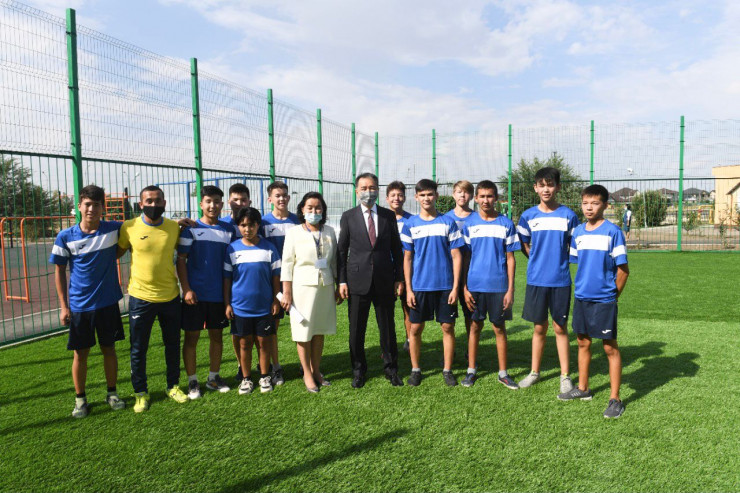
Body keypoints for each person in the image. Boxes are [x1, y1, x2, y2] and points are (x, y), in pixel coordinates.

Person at [50, 185, 126, 418]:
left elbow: (144, 225)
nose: (92, 209)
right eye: (88, 204)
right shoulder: (65, 236)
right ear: (79, 206)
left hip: (108, 302)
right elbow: (59, 272)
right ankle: (80, 400)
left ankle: (112, 393)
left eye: (96, 204)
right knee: (80, 354)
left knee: (109, 349)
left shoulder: (114, 229)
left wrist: (177, 223)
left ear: (103, 208)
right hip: (80, 306)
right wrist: (64, 306)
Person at [559, 184, 629, 419]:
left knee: (609, 347)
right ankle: (583, 388)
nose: (589, 207)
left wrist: (612, 296)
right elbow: (579, 264)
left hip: (604, 300)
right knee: (582, 342)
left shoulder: (613, 232)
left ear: (605, 205)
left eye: (595, 203)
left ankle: (615, 399)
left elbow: (623, 271)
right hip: (582, 297)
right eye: (585, 203)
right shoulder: (578, 232)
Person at [117, 185, 187, 412]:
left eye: (158, 201)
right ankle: (140, 392)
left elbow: (183, 255)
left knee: (172, 344)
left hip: (170, 296)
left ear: (164, 203)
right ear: (141, 204)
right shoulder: (129, 227)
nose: (153, 205)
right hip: (140, 297)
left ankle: (173, 386)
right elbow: (116, 252)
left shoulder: (174, 227)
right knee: (138, 348)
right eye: (149, 201)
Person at [516, 167, 579, 395]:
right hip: (536, 280)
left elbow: (575, 245)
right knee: (539, 327)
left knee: (560, 328)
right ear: (535, 188)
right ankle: (534, 372)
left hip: (560, 280)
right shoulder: (528, 216)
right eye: (541, 185)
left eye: (550, 185)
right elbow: (523, 243)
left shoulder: (569, 216)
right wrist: (535, 258)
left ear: (558, 187)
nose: (546, 189)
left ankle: (565, 376)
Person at [338, 173, 404, 388]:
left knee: (388, 328)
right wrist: (342, 281)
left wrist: (399, 278)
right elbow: (342, 251)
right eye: (364, 188)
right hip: (357, 281)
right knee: (357, 329)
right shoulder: (348, 216)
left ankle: (391, 369)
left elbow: (396, 249)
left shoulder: (388, 216)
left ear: (378, 189)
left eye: (373, 187)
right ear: (357, 191)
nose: (369, 191)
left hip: (384, 280)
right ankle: (358, 370)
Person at [401, 179, 464, 387]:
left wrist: (455, 287)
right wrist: (409, 289)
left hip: (445, 286)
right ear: (416, 197)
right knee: (415, 328)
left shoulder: (448, 222)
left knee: (447, 327)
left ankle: (447, 369)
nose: (426, 198)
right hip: (419, 286)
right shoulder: (410, 224)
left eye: (430, 194)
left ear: (436, 196)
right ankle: (416, 370)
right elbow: (407, 258)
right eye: (422, 195)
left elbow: (456, 256)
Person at [176, 185, 234, 399]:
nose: (213, 205)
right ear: (201, 204)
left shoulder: (228, 231)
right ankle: (192, 381)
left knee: (217, 336)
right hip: (195, 296)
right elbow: (181, 260)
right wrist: (186, 289)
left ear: (222, 204)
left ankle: (213, 377)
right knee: (191, 338)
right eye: (208, 201)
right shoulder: (190, 229)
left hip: (218, 295)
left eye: (217, 201)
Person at [460, 181, 520, 389]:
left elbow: (511, 258)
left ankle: (503, 373)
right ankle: (471, 370)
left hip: (499, 286)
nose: (486, 200)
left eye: (490, 196)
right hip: (475, 285)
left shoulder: (506, 224)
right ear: (476, 198)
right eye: (482, 196)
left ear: (496, 198)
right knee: (475, 326)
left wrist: (510, 289)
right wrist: (464, 287)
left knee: (499, 328)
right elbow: (465, 258)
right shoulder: (469, 224)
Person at [280, 192, 340, 393]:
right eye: (310, 208)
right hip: (302, 289)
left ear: (323, 210)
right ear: (302, 210)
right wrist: (286, 292)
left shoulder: (329, 231)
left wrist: (337, 285)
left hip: (325, 287)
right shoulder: (293, 233)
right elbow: (287, 264)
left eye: (318, 208)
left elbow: (334, 261)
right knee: (303, 332)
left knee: (319, 330)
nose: (314, 211)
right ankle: (306, 372)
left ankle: (316, 370)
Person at [224, 206, 282, 395]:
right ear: (238, 226)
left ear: (258, 225)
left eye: (251, 225)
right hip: (240, 308)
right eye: (243, 225)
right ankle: (246, 378)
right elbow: (227, 279)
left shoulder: (269, 248)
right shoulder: (232, 248)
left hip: (264, 307)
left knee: (264, 343)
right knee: (244, 344)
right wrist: (227, 303)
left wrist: (275, 300)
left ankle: (264, 376)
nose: (247, 229)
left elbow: (276, 277)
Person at [258, 181, 300, 386]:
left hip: (297, 281)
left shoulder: (298, 220)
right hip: (273, 283)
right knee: (272, 327)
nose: (281, 198)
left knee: (302, 323)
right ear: (270, 199)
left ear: (289, 197)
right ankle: (276, 367)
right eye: (277, 195)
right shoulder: (263, 223)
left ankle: (306, 364)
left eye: (284, 195)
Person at [222, 183, 251, 381]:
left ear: (249, 201)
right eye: (235, 200)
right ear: (229, 201)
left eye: (243, 200)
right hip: (230, 283)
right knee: (237, 329)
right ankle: (241, 364)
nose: (239, 203)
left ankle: (263, 365)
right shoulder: (222, 225)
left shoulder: (256, 222)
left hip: (253, 283)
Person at [445, 180, 475, 350]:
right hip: (450, 272)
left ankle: (471, 353)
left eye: (466, 192)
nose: (462, 195)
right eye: (458, 191)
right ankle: (450, 352)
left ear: (472, 195)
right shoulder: (445, 218)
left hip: (472, 272)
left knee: (471, 315)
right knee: (448, 318)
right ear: (453, 194)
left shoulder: (477, 218)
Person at [385, 180, 413, 352]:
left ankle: (410, 340)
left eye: (400, 195)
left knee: (407, 308)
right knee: (386, 311)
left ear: (404, 198)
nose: (396, 198)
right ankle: (388, 344)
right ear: (387, 198)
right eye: (393, 195)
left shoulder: (412, 220)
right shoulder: (380, 219)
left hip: (406, 271)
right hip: (385, 271)